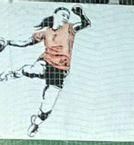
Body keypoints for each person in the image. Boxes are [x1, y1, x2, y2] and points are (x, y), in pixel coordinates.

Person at [0, 5, 91, 137]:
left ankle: (36, 123)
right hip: (46, 61)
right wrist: (8, 42)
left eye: (67, 16)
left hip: (59, 71)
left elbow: (86, 23)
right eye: (63, 15)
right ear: (55, 15)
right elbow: (25, 42)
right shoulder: (45, 32)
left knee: (47, 107)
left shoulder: (70, 29)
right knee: (33, 69)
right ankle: (7, 76)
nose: (65, 18)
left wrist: (81, 14)